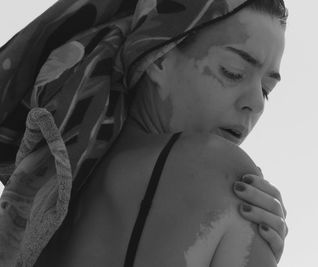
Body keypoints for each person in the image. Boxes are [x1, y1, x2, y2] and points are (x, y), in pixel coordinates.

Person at [0, 0, 288, 266]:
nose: (255, 102)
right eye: (233, 72)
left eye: (266, 90)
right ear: (159, 58)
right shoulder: (221, 172)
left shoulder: (44, 203)